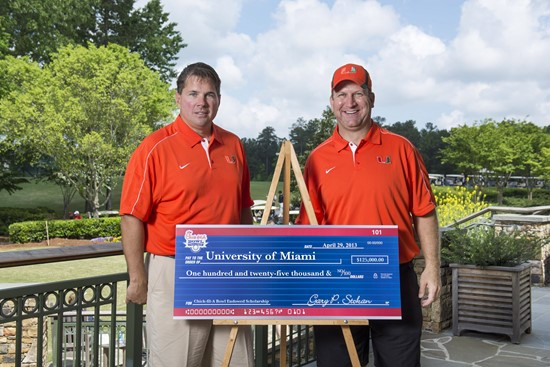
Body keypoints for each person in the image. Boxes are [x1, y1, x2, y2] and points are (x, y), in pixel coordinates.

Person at [296, 63, 441, 367]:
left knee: (400, 362)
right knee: (338, 362)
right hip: (337, 279)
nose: (350, 103)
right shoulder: (317, 159)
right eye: (342, 94)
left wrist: (432, 267)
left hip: (394, 275)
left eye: (358, 94)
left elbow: (425, 211)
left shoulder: (402, 149)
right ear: (332, 102)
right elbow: (310, 226)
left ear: (371, 99)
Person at [119, 62, 255, 367]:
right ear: (178, 97)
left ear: (219, 100)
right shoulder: (155, 147)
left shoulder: (234, 144)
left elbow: (243, 207)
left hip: (228, 270)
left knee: (234, 359)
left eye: (210, 95)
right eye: (193, 93)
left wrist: (247, 263)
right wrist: (137, 277)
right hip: (176, 268)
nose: (201, 102)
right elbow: (131, 215)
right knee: (177, 360)